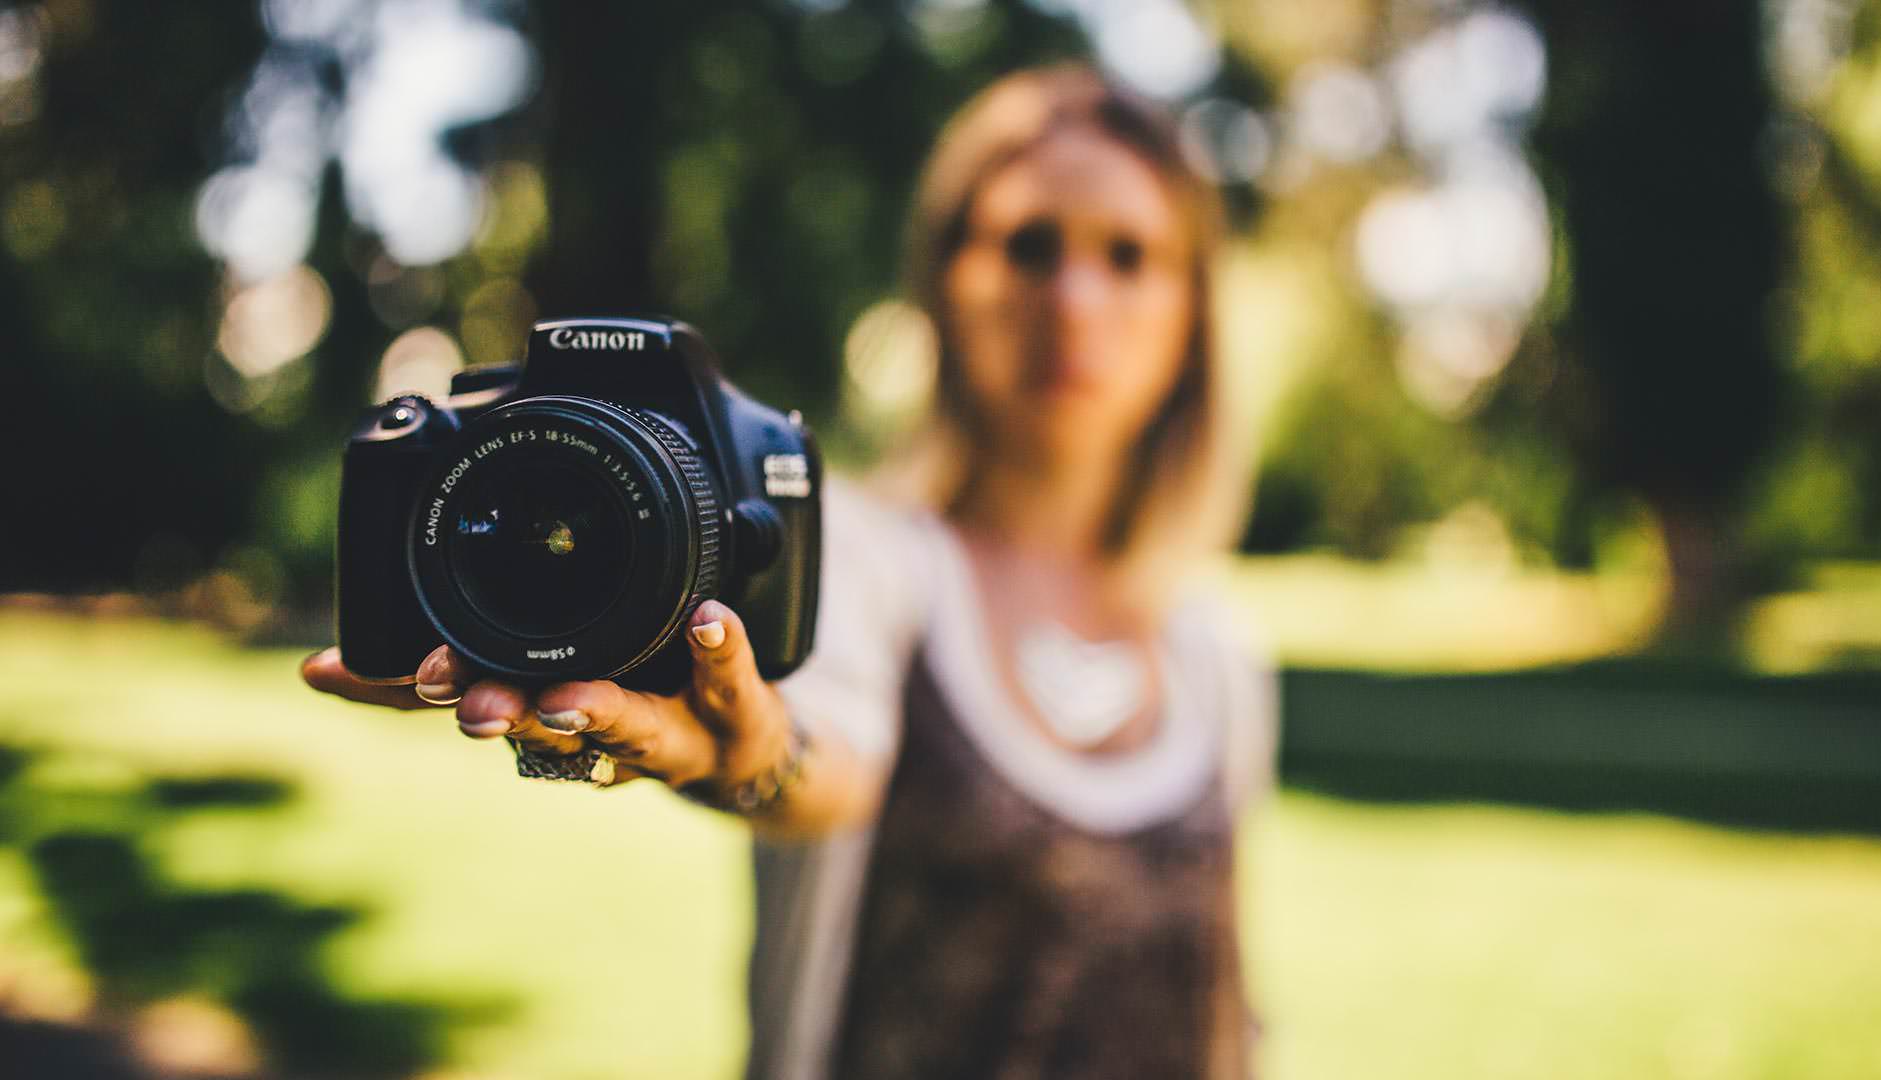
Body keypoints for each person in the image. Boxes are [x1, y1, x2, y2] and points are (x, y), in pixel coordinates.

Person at [303, 64, 1276, 1079]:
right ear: (944, 279)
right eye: (1029, 245)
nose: (1074, 299)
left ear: (1192, 309)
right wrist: (750, 754)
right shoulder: (863, 554)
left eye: (1130, 255)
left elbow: (1224, 997)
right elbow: (829, 762)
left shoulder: (1213, 655)